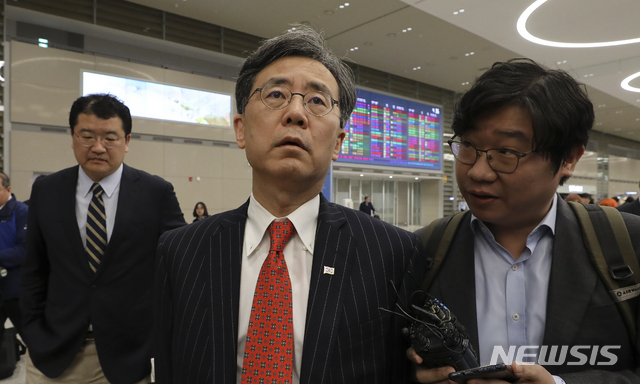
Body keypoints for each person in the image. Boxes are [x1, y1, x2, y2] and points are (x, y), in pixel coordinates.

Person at [154, 25, 424, 384]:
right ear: (240, 129)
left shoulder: (392, 253)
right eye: (277, 94)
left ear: (339, 141)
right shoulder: (181, 252)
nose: (296, 113)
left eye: (316, 100)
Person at [410, 59, 640, 383]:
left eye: (506, 152)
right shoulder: (421, 252)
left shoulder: (626, 244)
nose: (477, 171)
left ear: (569, 159)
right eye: (468, 147)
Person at [21, 94, 186, 384]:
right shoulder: (47, 190)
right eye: (87, 136)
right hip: (53, 353)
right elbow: (35, 266)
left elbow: (178, 268)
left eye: (110, 137)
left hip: (127, 356)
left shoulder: (155, 192)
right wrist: (33, 331)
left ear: (127, 141)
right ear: (72, 137)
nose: (98, 147)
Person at [0, 172, 28, 343]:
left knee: (32, 338)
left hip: (16, 290)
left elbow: (25, 250)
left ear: (8, 189)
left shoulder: (22, 212)